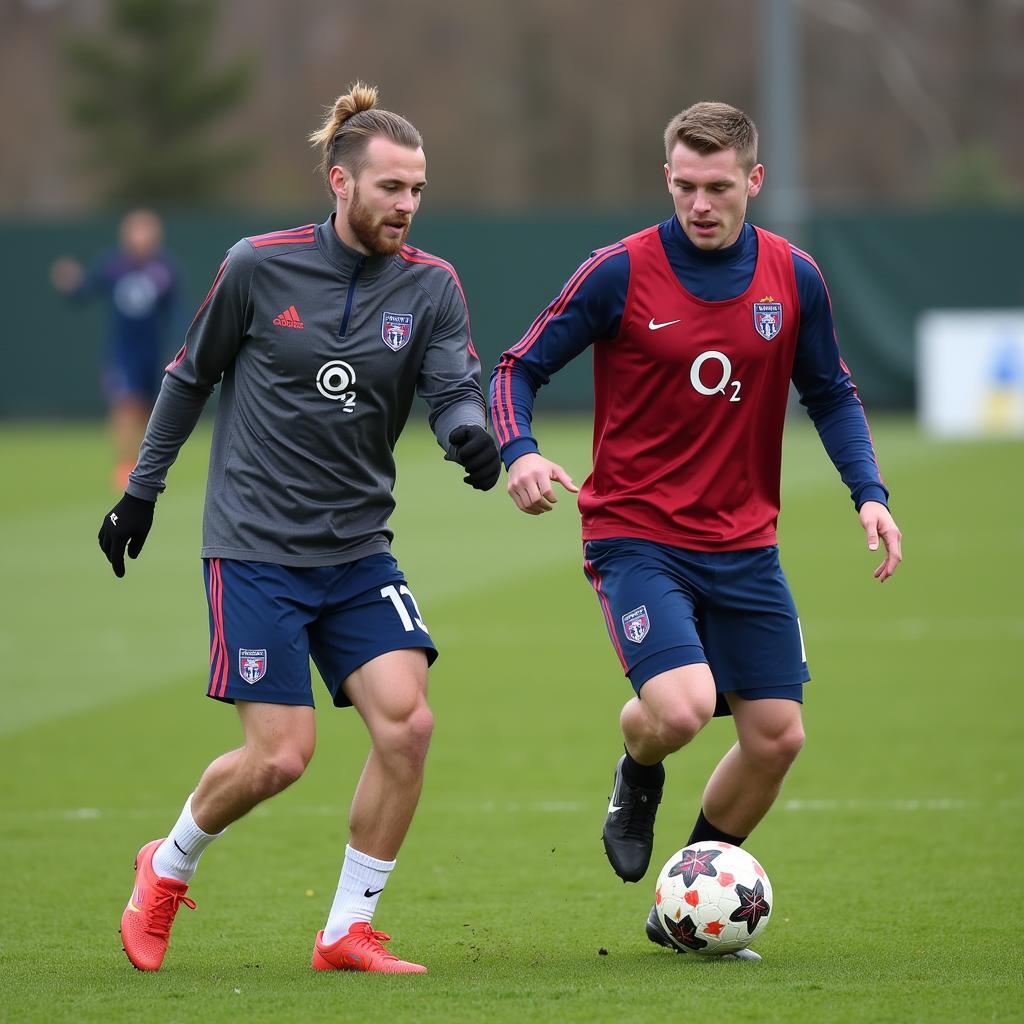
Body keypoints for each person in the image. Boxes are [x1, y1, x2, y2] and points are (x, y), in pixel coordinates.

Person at [97, 82, 500, 975]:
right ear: (340, 181)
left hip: (358, 550)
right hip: (254, 549)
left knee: (408, 727)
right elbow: (188, 376)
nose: (406, 205)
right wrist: (144, 493)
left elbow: (455, 384)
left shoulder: (431, 285)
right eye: (390, 187)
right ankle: (163, 870)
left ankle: (345, 930)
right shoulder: (256, 266)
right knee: (281, 757)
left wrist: (471, 433)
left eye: (418, 190)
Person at [489, 101, 901, 960]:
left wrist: (869, 491)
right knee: (683, 709)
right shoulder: (619, 272)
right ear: (666, 178)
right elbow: (517, 367)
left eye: (719, 187)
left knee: (779, 736)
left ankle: (685, 904)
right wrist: (520, 452)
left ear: (754, 180)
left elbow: (830, 391)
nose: (701, 204)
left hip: (745, 544)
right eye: (685, 186)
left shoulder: (795, 277)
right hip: (636, 534)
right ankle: (638, 766)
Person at [51, 209, 180, 490]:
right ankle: (124, 466)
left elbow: (177, 310)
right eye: (136, 231)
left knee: (149, 410)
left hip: (154, 351)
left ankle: (147, 467)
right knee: (126, 404)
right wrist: (69, 284)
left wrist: (179, 347)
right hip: (123, 352)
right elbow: (84, 292)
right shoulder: (113, 266)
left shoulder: (166, 269)